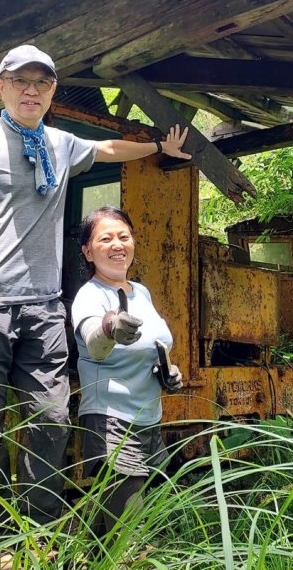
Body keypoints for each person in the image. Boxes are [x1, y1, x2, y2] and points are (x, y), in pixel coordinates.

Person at [0, 45, 190, 537]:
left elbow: (109, 149)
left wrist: (159, 149)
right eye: (21, 81)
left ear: (52, 91)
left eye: (42, 83)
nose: (31, 90)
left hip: (43, 307)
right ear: (1, 86)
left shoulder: (60, 142)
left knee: (50, 419)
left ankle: (38, 534)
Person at [71, 206, 182, 535]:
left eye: (124, 236)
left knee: (121, 526)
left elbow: (154, 345)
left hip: (149, 420)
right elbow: (93, 343)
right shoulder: (89, 296)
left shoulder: (141, 292)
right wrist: (110, 327)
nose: (117, 245)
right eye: (105, 239)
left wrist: (167, 371)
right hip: (113, 422)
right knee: (128, 533)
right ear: (88, 252)